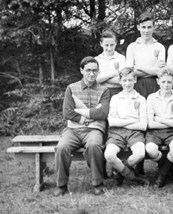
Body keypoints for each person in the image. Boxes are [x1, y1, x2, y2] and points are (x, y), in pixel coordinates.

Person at [54, 56, 111, 196]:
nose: (92, 74)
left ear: (98, 72)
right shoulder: (71, 88)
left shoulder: (104, 90)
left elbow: (103, 113)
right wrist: (86, 119)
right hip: (73, 130)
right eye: (88, 70)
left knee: (94, 146)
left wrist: (79, 112)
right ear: (81, 70)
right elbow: (67, 112)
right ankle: (61, 185)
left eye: (95, 71)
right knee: (61, 148)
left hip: (94, 130)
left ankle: (97, 183)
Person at [103, 67, 148, 186]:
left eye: (130, 80)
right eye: (124, 80)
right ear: (120, 81)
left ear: (135, 80)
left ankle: (120, 170)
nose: (127, 83)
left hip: (135, 133)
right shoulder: (115, 98)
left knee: (140, 154)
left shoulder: (141, 99)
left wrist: (123, 121)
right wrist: (132, 121)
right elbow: (112, 122)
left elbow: (143, 125)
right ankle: (132, 177)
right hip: (116, 133)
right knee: (109, 155)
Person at [145, 68, 173, 187]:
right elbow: (150, 124)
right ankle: (172, 167)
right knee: (151, 150)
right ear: (158, 81)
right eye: (163, 82)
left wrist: (159, 119)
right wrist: (171, 121)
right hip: (154, 132)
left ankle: (162, 175)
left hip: (172, 132)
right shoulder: (151, 97)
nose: (166, 85)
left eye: (169, 82)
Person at [125, 12, 166, 98]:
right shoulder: (132, 47)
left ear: (153, 27)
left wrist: (139, 68)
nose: (146, 31)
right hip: (137, 84)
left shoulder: (160, 47)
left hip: (155, 84)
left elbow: (160, 72)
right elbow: (130, 73)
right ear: (138, 27)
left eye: (149, 27)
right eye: (143, 27)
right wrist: (153, 69)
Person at [95, 30, 126, 96]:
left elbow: (122, 80)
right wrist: (112, 75)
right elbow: (95, 80)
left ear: (116, 43)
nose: (109, 48)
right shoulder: (97, 60)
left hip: (117, 92)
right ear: (101, 44)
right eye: (106, 45)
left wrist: (102, 79)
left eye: (112, 45)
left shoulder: (121, 58)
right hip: (101, 93)